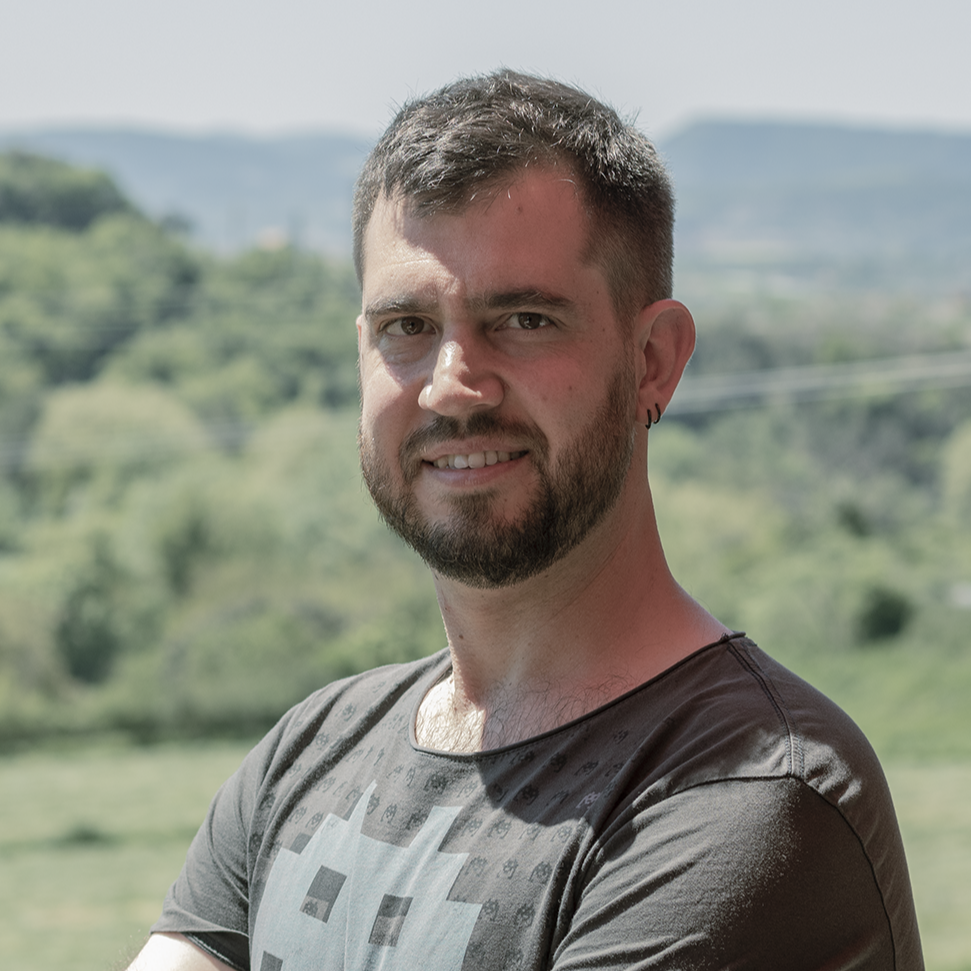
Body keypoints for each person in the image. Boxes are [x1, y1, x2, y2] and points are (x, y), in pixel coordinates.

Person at [128, 70, 923, 970]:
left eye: (524, 319)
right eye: (406, 326)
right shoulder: (310, 752)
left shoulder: (745, 791)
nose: (452, 386)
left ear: (652, 361)